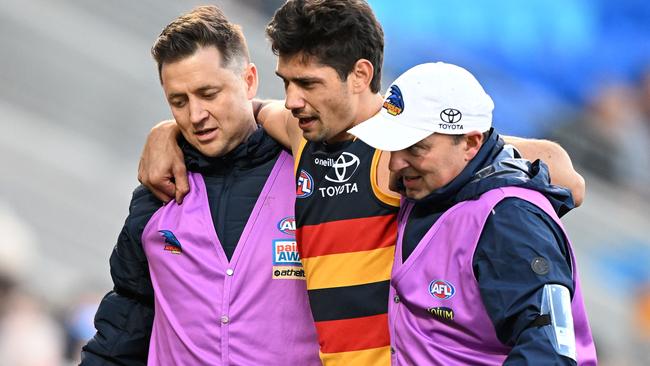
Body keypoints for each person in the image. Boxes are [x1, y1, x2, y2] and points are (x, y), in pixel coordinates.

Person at [138, 1, 586, 364]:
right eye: (287, 83)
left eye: (308, 84)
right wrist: (168, 130)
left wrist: (529, 182)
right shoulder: (301, 132)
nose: (293, 99)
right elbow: (249, 113)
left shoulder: (403, 146)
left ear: (361, 76)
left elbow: (555, 168)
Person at [81, 6, 320, 365]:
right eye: (178, 102)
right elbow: (125, 324)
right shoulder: (156, 194)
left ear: (249, 81)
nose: (195, 116)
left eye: (209, 94)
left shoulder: (310, 174)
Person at [348, 62, 597, 365]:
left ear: (470, 142)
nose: (395, 163)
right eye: (394, 145)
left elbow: (550, 353)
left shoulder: (511, 221)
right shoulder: (433, 185)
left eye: (415, 148)